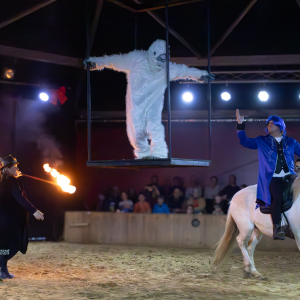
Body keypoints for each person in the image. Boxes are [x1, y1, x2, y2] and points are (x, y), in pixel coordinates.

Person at [84, 40, 213, 159]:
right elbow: (116, 60)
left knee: (153, 123)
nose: (162, 62)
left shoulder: (168, 68)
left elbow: (184, 71)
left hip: (154, 101)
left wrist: (201, 75)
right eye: (160, 59)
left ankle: (160, 152)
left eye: (164, 59)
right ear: (153, 54)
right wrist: (96, 63)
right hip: (136, 102)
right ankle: (143, 153)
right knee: (136, 131)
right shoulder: (137, 59)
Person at [236, 109, 300, 240]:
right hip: (273, 178)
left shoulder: (291, 142)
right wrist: (240, 125)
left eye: (272, 123)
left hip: (291, 176)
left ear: (280, 126)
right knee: (277, 198)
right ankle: (278, 228)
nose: (269, 126)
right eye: (268, 124)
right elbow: (245, 142)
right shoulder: (261, 140)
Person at [0, 155, 44, 280]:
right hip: (7, 220)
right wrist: (34, 210)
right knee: (8, 244)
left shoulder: (5, 180)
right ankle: (2, 271)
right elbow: (19, 198)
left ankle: (4, 270)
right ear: (7, 169)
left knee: (4, 245)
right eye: (14, 166)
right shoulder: (11, 181)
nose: (17, 168)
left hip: (5, 218)